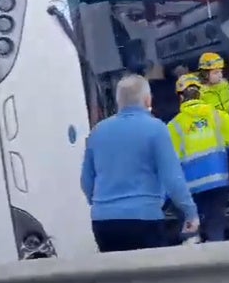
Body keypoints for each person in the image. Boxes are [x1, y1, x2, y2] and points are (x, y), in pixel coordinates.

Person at [80, 73, 199, 252]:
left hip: (104, 222)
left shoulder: (98, 131)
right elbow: (172, 178)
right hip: (144, 218)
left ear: (118, 101)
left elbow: (86, 180)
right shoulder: (156, 128)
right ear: (147, 99)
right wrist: (190, 212)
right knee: (150, 278)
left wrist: (102, 204)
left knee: (117, 277)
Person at [168, 73, 229, 242]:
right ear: (200, 93)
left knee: (192, 226)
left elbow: (169, 161)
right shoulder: (218, 115)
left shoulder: (174, 126)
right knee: (216, 222)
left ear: (180, 97)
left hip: (191, 189)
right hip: (218, 183)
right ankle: (217, 258)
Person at [197, 52, 229, 116]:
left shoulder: (225, 85)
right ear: (205, 74)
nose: (220, 75)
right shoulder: (200, 94)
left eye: (220, 71)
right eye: (215, 73)